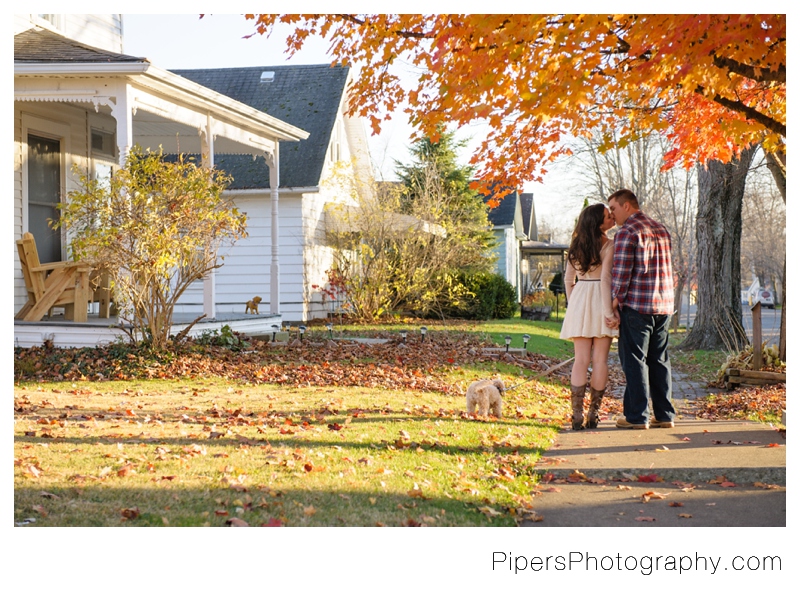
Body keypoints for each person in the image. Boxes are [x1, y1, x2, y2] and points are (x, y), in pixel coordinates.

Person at [605, 189, 676, 429]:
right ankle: (665, 415)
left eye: (613, 208)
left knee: (635, 361)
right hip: (664, 306)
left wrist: (613, 306)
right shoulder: (661, 229)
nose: (612, 216)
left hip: (637, 306)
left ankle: (637, 416)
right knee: (660, 359)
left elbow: (621, 275)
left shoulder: (627, 232)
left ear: (627, 206)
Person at [560, 203, 617, 430]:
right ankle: (593, 413)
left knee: (580, 360)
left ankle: (576, 414)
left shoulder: (576, 246)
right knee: (600, 360)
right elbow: (605, 279)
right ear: (598, 222)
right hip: (601, 298)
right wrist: (609, 310)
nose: (612, 218)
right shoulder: (609, 245)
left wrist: (574, 302)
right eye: (607, 216)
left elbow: (568, 281)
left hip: (580, 297)